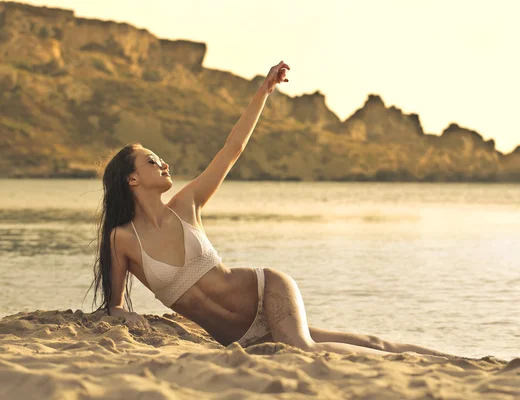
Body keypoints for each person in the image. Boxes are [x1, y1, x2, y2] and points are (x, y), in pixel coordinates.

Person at [87, 61, 466, 360]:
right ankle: (449, 361)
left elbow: (230, 150)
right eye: (153, 161)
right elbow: (115, 306)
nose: (164, 164)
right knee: (365, 342)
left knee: (302, 352)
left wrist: (263, 91)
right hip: (243, 340)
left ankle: (457, 361)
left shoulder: (185, 206)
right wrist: (123, 316)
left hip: (267, 292)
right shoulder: (123, 240)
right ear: (131, 180)